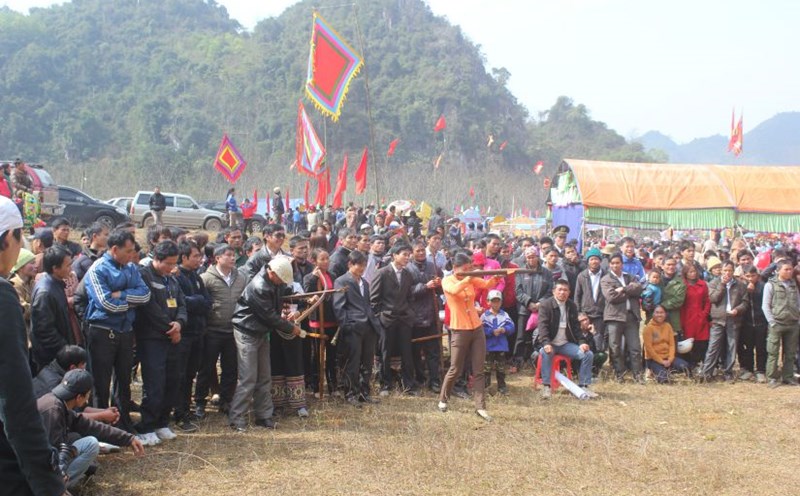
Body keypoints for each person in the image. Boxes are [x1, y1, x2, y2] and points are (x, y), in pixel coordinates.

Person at [0, 196, 67, 496]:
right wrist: (48, 483)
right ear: (7, 240)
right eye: (19, 237)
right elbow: (15, 403)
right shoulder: (3, 299)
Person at [84, 229, 150, 434]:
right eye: (129, 251)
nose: (132, 255)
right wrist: (130, 304)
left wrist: (121, 294)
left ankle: (122, 423)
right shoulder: (97, 269)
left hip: (124, 332)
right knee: (100, 383)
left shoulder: (131, 268)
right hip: (102, 332)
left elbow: (145, 295)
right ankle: (100, 427)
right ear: (114, 249)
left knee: (123, 380)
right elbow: (105, 303)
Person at [37, 369, 144, 489]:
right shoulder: (54, 411)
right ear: (79, 397)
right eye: (87, 394)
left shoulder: (56, 402)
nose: (88, 399)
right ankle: (58, 487)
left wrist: (127, 439)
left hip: (39, 462)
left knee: (88, 443)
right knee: (88, 444)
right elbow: (51, 453)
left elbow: (90, 426)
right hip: (33, 469)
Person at [229, 257, 302, 432]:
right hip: (247, 332)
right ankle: (237, 417)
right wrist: (292, 328)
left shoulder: (275, 281)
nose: (282, 283)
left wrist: (306, 300)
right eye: (281, 279)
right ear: (272, 273)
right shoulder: (259, 287)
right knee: (248, 378)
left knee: (264, 377)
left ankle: (263, 416)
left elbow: (287, 291)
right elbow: (270, 316)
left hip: (261, 332)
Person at [134, 241, 187, 445]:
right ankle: (146, 425)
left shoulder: (171, 279)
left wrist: (180, 324)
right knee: (154, 383)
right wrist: (169, 327)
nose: (171, 268)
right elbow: (150, 308)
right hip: (152, 338)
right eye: (167, 263)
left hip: (173, 337)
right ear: (156, 259)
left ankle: (162, 422)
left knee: (173, 380)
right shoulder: (144, 275)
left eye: (174, 263)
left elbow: (181, 303)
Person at [438, 252, 502, 421]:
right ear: (455, 268)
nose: (469, 271)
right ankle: (443, 398)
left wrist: (496, 278)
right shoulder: (447, 280)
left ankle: (480, 407)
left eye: (470, 268)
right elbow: (454, 290)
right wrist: (468, 277)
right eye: (465, 269)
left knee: (479, 369)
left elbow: (486, 284)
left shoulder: (471, 278)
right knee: (455, 368)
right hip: (459, 329)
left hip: (476, 328)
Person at [198, 244, 247, 418]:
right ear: (217, 258)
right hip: (212, 330)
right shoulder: (205, 278)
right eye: (228, 255)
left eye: (234, 255)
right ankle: (200, 402)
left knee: (230, 368)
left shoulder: (241, 277)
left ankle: (226, 400)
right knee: (206, 367)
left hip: (233, 330)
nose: (233, 258)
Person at [333, 250, 383, 407]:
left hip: (369, 326)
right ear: (350, 264)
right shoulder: (341, 282)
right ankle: (351, 394)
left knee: (367, 362)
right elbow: (339, 307)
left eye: (364, 265)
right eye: (359, 265)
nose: (362, 268)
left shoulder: (365, 283)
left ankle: (364, 392)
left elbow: (367, 304)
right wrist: (347, 325)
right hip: (353, 327)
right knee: (352, 362)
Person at [370, 243, 419, 395]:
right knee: (385, 352)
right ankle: (385, 384)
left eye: (408, 254)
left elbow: (410, 297)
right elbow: (374, 299)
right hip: (387, 319)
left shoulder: (407, 274)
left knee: (406, 352)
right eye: (404, 254)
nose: (407, 257)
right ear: (394, 255)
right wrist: (380, 317)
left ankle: (408, 385)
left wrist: (410, 313)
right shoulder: (382, 273)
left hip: (404, 319)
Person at [538, 279, 598, 399]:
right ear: (554, 291)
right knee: (546, 353)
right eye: (559, 289)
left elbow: (576, 327)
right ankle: (546, 387)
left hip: (565, 344)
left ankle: (584, 386)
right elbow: (542, 326)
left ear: (569, 292)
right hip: (550, 343)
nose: (562, 292)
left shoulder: (571, 305)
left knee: (588, 354)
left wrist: (582, 342)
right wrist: (546, 343)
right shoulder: (546, 305)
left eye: (565, 290)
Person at [173, 241, 211, 432]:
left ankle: (185, 410)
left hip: (198, 332)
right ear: (184, 257)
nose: (200, 259)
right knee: (179, 375)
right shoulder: (176, 277)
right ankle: (179, 413)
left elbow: (208, 302)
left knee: (190, 374)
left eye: (200, 256)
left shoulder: (197, 277)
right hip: (183, 334)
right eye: (196, 256)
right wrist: (198, 301)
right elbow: (181, 302)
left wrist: (197, 302)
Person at [31, 246, 78, 369]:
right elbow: (44, 330)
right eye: (67, 265)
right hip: (51, 357)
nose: (71, 269)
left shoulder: (56, 284)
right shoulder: (45, 292)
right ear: (55, 268)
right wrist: (66, 349)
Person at [702, 260, 749, 381]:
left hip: (733, 319)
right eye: (725, 270)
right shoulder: (713, 283)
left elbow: (745, 302)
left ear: (733, 271)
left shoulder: (740, 285)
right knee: (713, 346)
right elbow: (713, 298)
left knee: (731, 347)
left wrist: (737, 310)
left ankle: (728, 371)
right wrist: (722, 284)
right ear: (720, 271)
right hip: (718, 319)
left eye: (730, 270)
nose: (727, 273)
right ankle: (707, 372)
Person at [601, 253, 644, 382]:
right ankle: (619, 374)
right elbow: (612, 297)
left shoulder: (628, 276)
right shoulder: (606, 279)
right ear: (609, 265)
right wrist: (629, 292)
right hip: (614, 317)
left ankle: (638, 375)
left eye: (618, 262)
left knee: (635, 347)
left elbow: (639, 288)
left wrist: (623, 289)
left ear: (622, 264)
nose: (615, 265)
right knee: (615, 347)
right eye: (613, 263)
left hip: (631, 316)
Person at [407, 241, 442, 393]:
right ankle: (420, 378)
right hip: (415, 316)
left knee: (433, 350)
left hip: (432, 314)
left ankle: (434, 380)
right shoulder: (407, 269)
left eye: (422, 250)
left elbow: (441, 290)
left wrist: (439, 284)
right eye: (417, 251)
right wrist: (425, 286)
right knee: (415, 350)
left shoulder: (433, 266)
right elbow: (406, 292)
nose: (421, 253)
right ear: (412, 252)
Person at [303, 248, 338, 396]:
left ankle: (333, 386)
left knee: (332, 356)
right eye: (322, 259)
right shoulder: (309, 277)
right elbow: (308, 296)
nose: (325, 262)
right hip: (318, 321)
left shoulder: (332, 275)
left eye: (327, 259)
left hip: (332, 319)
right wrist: (313, 278)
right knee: (317, 356)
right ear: (314, 261)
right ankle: (317, 386)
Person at [762, 260, 800, 388]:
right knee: (773, 352)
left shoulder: (793, 284)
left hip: (793, 323)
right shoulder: (770, 285)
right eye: (786, 269)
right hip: (777, 323)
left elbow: (798, 302)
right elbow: (765, 305)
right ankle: (771, 377)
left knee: (790, 353)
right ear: (778, 270)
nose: (789, 272)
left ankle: (788, 377)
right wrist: (772, 322)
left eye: (790, 269)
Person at [513, 246, 553, 368]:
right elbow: (518, 290)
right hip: (524, 309)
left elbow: (550, 291)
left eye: (533, 257)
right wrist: (529, 302)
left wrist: (540, 303)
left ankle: (535, 361)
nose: (531, 259)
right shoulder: (520, 271)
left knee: (538, 336)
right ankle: (517, 361)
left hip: (541, 309)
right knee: (520, 336)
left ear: (538, 257)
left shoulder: (546, 272)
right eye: (528, 257)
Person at [642, 306, 691, 383]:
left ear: (665, 314)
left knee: (686, 367)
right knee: (664, 380)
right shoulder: (648, 328)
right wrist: (662, 361)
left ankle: (669, 371)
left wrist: (670, 359)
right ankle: (651, 371)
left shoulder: (668, 326)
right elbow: (649, 349)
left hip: (668, 358)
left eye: (661, 312)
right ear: (653, 314)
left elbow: (672, 345)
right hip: (655, 360)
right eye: (657, 312)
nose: (659, 315)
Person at [574, 248, 606, 355]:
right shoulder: (582, 276)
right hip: (585, 314)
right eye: (591, 259)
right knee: (585, 339)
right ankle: (585, 362)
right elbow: (577, 296)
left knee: (598, 339)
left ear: (600, 260)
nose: (594, 261)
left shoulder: (606, 275)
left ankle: (597, 364)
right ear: (588, 261)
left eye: (596, 259)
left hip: (600, 314)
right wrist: (578, 313)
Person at [482, 290, 514, 394]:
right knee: (486, 367)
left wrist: (504, 330)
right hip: (489, 347)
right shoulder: (484, 316)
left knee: (501, 368)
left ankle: (502, 387)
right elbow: (481, 330)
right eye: (493, 301)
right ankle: (486, 386)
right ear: (488, 302)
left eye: (498, 301)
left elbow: (512, 326)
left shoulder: (505, 315)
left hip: (501, 346)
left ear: (501, 302)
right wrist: (491, 331)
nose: (496, 303)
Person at [739, 265, 768, 382]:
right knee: (748, 348)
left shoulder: (763, 286)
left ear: (758, 276)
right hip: (747, 323)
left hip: (761, 322)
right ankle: (749, 370)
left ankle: (761, 370)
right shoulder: (742, 287)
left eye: (753, 276)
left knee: (761, 348)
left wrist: (754, 291)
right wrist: (747, 289)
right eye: (748, 276)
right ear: (744, 276)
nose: (750, 278)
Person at [680, 264, 710, 366]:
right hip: (687, 317)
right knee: (688, 342)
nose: (693, 274)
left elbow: (707, 301)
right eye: (690, 272)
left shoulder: (702, 284)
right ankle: (690, 365)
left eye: (694, 271)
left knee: (701, 342)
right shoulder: (682, 285)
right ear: (685, 274)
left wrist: (704, 313)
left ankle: (701, 364)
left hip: (700, 316)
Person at [660, 257, 687, 339]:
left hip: (673, 319)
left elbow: (678, 300)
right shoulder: (655, 279)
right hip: (655, 318)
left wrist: (661, 306)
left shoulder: (681, 282)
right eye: (668, 264)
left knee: (673, 346)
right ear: (662, 266)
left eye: (673, 265)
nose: (671, 267)